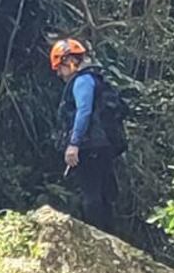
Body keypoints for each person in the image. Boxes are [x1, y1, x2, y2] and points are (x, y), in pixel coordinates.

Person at [49, 38, 121, 231]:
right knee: (104, 194)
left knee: (91, 194)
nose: (58, 74)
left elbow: (84, 111)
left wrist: (74, 144)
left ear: (69, 61)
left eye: (59, 68)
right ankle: (110, 236)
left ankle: (97, 237)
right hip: (103, 145)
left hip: (89, 146)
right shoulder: (95, 78)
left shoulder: (82, 81)